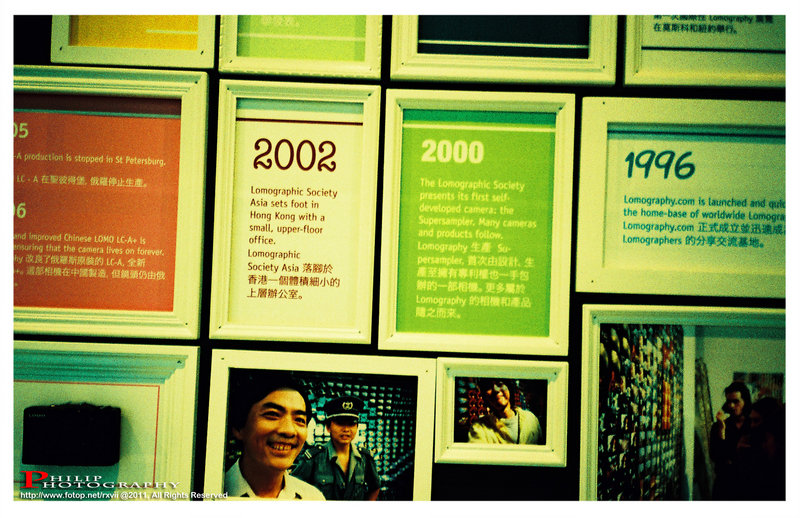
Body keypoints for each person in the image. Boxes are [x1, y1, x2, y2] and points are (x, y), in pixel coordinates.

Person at [224, 371, 325, 500]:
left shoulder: (313, 498)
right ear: (239, 427)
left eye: (299, 420)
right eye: (272, 414)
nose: (289, 431)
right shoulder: (209, 491)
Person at [292, 396, 381, 500]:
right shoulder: (314, 458)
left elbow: (375, 487)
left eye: (351, 424)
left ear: (357, 427)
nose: (346, 429)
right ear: (328, 427)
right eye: (340, 423)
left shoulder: (365, 458)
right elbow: (293, 488)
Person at [709, 381, 751, 500]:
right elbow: (715, 455)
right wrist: (721, 430)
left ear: (745, 402)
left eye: (736, 401)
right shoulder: (718, 426)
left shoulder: (752, 425)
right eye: (729, 401)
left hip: (747, 485)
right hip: (724, 485)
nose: (731, 406)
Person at [467, 378, 542, 444]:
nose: (496, 390)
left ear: (509, 387)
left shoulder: (531, 419)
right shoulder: (479, 428)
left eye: (500, 384)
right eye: (489, 386)